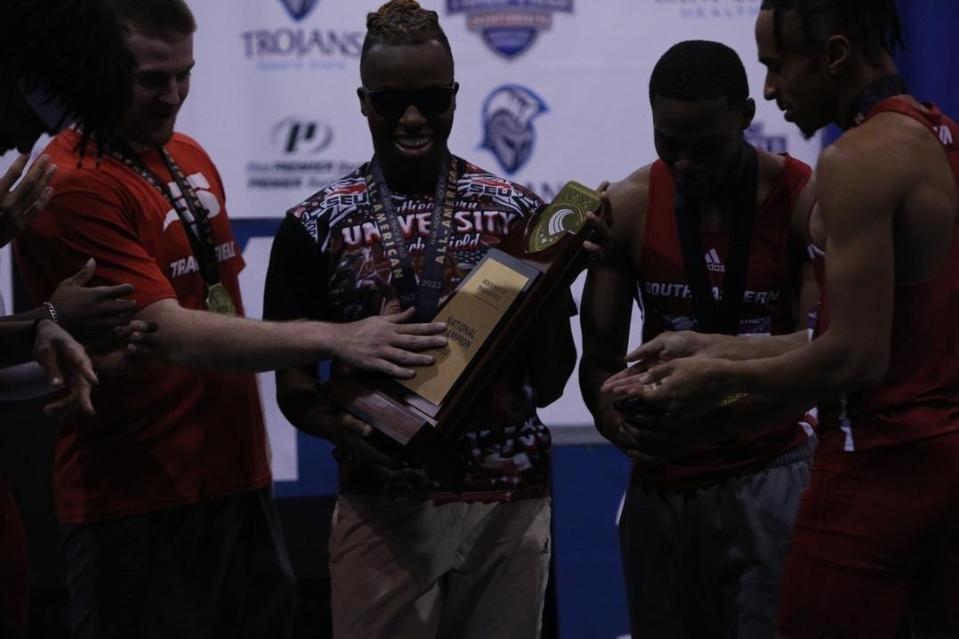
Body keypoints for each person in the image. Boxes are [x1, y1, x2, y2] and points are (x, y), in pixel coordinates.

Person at [14, 0, 449, 636]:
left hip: (239, 479)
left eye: (184, 74)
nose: (173, 96)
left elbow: (220, 306)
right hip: (136, 500)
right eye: (152, 79)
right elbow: (170, 332)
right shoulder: (72, 180)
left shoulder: (187, 154)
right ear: (100, 69)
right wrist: (341, 337)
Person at [605, 1, 959, 636]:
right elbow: (870, 332)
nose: (772, 89)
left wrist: (717, 382)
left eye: (777, 65)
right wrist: (715, 348)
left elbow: (856, 356)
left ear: (835, 56)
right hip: (934, 457)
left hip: (872, 460)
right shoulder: (937, 132)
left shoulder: (852, 161)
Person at [263, 1, 597, 636]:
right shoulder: (313, 225)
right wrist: (342, 428)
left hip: (509, 501)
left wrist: (553, 293)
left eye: (431, 99)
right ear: (363, 101)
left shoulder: (517, 214)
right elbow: (294, 387)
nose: (413, 118)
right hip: (381, 508)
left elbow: (550, 384)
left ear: (455, 95)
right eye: (391, 103)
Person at [579, 40, 817, 637]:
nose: (684, 164)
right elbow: (599, 362)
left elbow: (827, 346)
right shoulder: (627, 207)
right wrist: (618, 423)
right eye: (668, 144)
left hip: (774, 468)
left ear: (743, 115)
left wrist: (729, 397)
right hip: (665, 482)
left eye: (704, 146)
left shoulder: (802, 198)